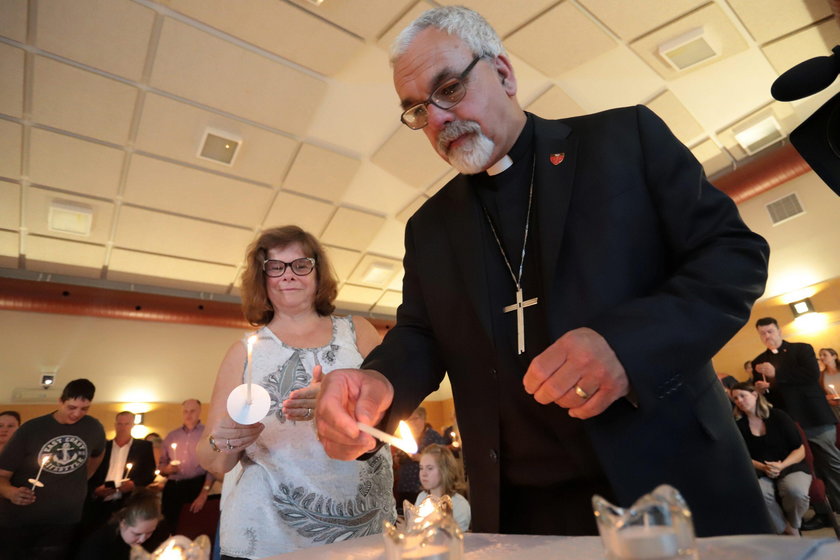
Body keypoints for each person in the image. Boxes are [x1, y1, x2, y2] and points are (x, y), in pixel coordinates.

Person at [314, 5, 773, 538]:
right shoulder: (429, 226)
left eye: (450, 90)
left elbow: (732, 254)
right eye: (418, 110)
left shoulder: (624, 139)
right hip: (521, 512)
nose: (436, 119)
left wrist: (627, 346)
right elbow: (421, 332)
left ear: (504, 74)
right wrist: (377, 379)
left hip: (669, 479)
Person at [195, 225, 396, 559]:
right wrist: (226, 440)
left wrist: (341, 403)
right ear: (263, 278)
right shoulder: (243, 351)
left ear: (318, 272)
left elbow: (392, 409)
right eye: (276, 267)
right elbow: (212, 458)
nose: (288, 275)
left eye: (300, 264)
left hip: (363, 532)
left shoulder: (358, 331)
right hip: (267, 537)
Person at [0, 378, 106, 559]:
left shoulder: (93, 427)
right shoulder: (32, 429)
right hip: (22, 520)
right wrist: (11, 492)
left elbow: (98, 454)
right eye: (71, 407)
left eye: (84, 409)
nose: (76, 414)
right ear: (60, 401)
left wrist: (83, 478)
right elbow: (2, 475)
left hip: (65, 519)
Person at [751, 317, 840, 512]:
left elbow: (811, 375)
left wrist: (777, 375)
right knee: (809, 470)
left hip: (814, 417)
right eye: (763, 333)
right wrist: (760, 389)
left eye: (770, 331)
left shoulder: (802, 349)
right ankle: (825, 512)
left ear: (779, 331)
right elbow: (768, 394)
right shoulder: (759, 362)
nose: (767, 336)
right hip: (789, 423)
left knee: (832, 463)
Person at [730, 381, 811, 535]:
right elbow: (742, 456)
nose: (739, 401)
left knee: (795, 491)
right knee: (758, 494)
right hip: (759, 469)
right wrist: (763, 467)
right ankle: (783, 530)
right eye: (735, 399)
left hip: (789, 465)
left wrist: (781, 466)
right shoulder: (738, 425)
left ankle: (793, 524)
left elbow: (800, 450)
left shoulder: (778, 416)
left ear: (754, 395)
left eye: (742, 396)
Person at [84, 411, 157, 534]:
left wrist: (134, 485)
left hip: (128, 502)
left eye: (126, 424)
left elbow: (149, 473)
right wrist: (95, 491)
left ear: (132, 425)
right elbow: (90, 473)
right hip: (100, 503)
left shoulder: (144, 447)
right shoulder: (103, 447)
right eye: (120, 424)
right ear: (115, 425)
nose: (122, 427)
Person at [158, 399, 215, 538]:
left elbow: (212, 467)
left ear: (199, 411)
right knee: (170, 527)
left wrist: (204, 493)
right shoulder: (172, 435)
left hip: (195, 486)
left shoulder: (208, 434)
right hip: (173, 487)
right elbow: (161, 465)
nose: (188, 414)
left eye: (192, 411)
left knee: (192, 528)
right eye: (185, 411)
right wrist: (167, 469)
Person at [76, 488, 162, 559]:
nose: (143, 539)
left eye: (149, 532)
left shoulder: (154, 537)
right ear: (123, 523)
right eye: (137, 534)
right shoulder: (98, 546)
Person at [394, 407, 447, 510]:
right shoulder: (407, 436)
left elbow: (442, 459)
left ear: (424, 419)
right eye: (409, 419)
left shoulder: (433, 436)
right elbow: (399, 456)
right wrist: (397, 458)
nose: (412, 422)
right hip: (404, 486)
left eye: (415, 418)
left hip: (422, 488)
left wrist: (419, 457)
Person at [415, 444, 470, 532]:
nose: (423, 474)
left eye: (430, 468)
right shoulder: (421, 497)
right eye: (421, 468)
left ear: (445, 470)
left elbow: (458, 541)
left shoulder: (460, 504)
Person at [819, 348, 840, 421]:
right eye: (820, 355)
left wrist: (835, 396)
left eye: (825, 355)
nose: (821, 357)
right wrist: (826, 399)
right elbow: (820, 394)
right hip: (834, 410)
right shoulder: (820, 376)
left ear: (834, 356)